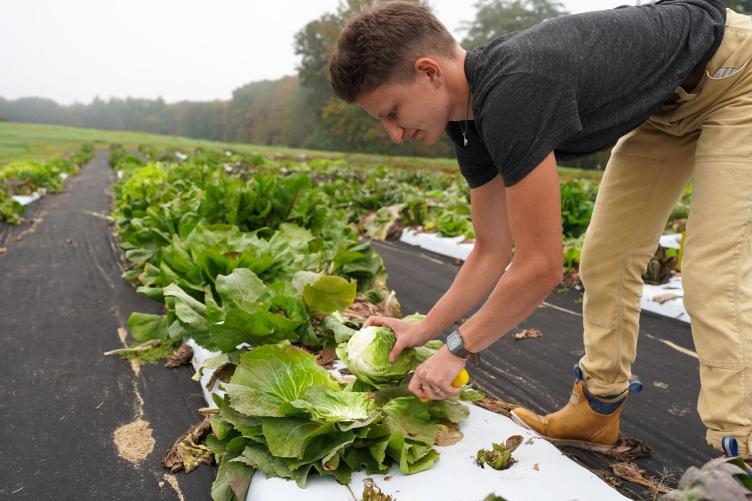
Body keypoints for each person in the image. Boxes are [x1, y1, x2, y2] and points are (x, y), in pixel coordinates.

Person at [329, 0, 752, 459]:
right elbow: (491, 250)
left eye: (392, 112)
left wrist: (456, 350)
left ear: (430, 72)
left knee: (714, 274)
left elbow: (541, 267)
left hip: (734, 73)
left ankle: (742, 452)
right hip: (666, 109)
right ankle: (597, 410)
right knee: (606, 260)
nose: (394, 132)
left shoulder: (514, 92)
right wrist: (424, 329)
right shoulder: (469, 125)